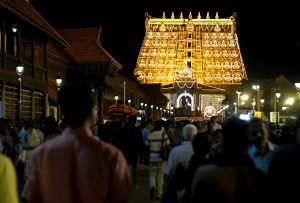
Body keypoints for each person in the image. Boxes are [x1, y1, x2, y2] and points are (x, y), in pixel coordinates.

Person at [23, 81, 131, 203]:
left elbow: (32, 198)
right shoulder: (111, 156)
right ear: (92, 112)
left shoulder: (41, 155)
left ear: (63, 112)